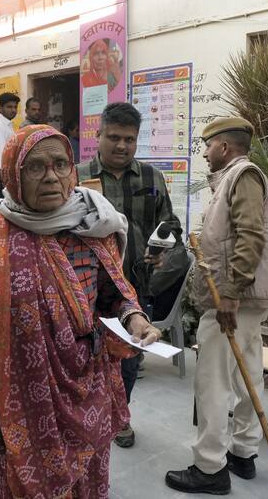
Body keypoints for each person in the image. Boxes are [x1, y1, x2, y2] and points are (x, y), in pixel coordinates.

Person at [0, 124, 161, 498]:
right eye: (36, 167)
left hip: (85, 380)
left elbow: (114, 295)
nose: (52, 176)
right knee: (23, 480)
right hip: (15, 393)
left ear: (74, 170)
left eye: (60, 164)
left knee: (85, 480)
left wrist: (135, 318)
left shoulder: (92, 224)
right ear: (13, 173)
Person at [165, 117, 268, 495]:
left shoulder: (242, 175)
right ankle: (243, 454)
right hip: (243, 299)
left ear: (225, 147)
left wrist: (230, 292)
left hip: (232, 300)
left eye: (208, 145)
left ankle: (210, 467)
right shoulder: (237, 177)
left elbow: (250, 236)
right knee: (248, 376)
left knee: (213, 381)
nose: (204, 151)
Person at [77, 102, 182, 449]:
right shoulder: (77, 178)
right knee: (84, 358)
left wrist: (164, 248)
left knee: (129, 358)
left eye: (129, 139)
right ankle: (85, 417)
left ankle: (119, 417)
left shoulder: (152, 177)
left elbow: (169, 224)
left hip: (135, 288)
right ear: (99, 136)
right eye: (114, 137)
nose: (121, 146)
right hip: (84, 288)